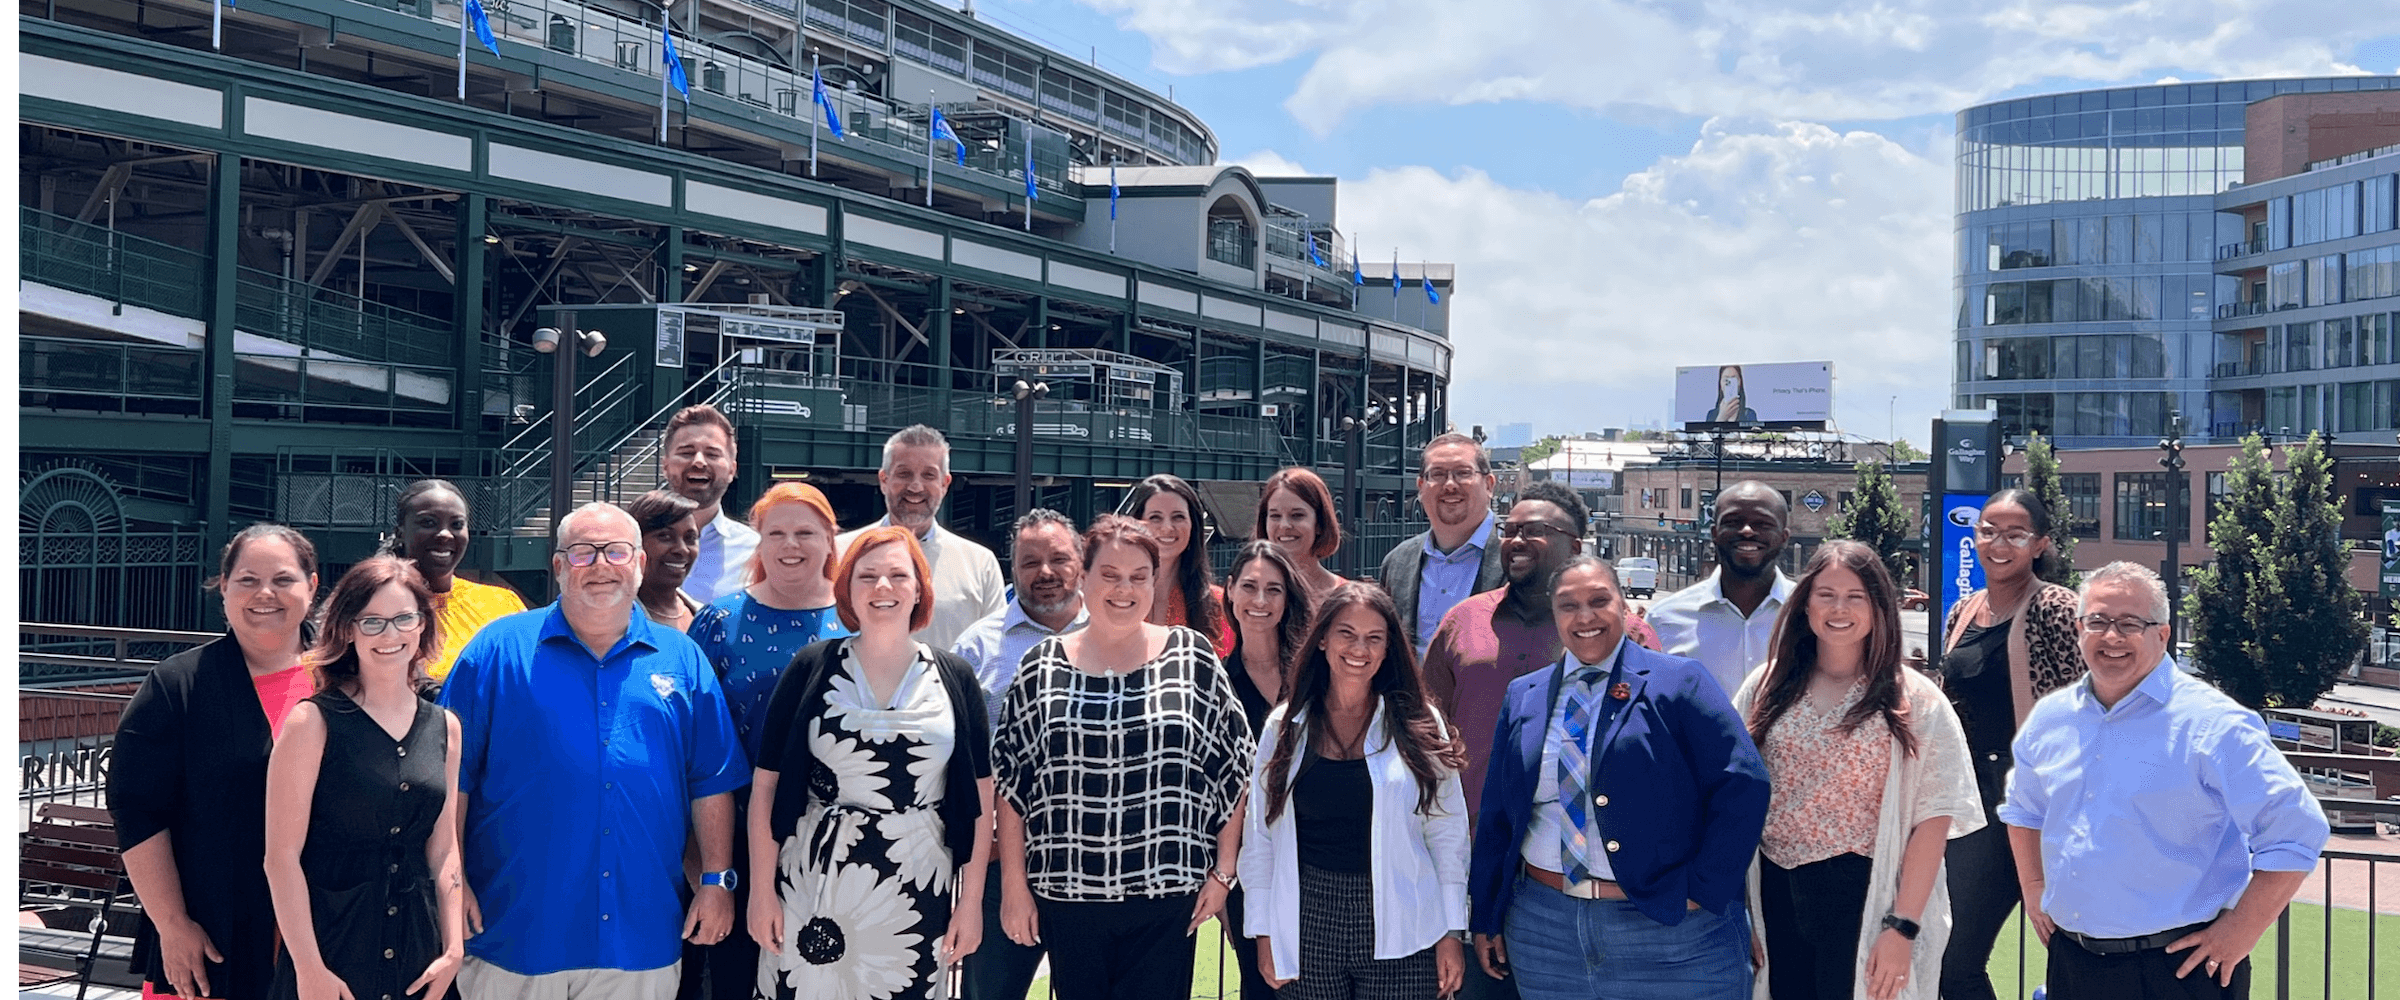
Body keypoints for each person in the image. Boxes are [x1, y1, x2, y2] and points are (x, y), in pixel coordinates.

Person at [440, 503, 748, 1000]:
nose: (602, 565)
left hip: (640, 937)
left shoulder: (683, 657)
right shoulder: (496, 649)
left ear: (640, 564)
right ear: (559, 567)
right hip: (516, 934)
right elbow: (454, 777)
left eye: (617, 552)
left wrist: (716, 880)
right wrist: (451, 885)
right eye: (583, 553)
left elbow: (710, 780)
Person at [2000, 562, 2330, 1000]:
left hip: (2178, 970)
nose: (2111, 636)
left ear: (2163, 634)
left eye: (2130, 623)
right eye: (2097, 621)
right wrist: (2034, 887)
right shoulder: (2051, 718)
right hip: (2073, 964)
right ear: (2079, 628)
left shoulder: (2215, 724)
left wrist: (2242, 930)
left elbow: (2298, 830)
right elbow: (2023, 810)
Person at [1467, 556, 1769, 1000]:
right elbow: (1498, 813)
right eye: (1568, 605)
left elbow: (1743, 785)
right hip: (1546, 933)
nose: (1584, 616)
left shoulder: (1680, 682)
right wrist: (1487, 915)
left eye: (1599, 601)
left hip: (1669, 932)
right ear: (1554, 615)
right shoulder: (1525, 695)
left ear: (1624, 606)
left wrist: (1704, 889)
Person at [991, 515, 1253, 1000]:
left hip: (1168, 893)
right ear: (1084, 579)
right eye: (1109, 575)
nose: (1124, 589)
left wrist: (1223, 871)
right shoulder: (1040, 665)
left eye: (1138, 576)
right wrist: (1013, 885)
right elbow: (1012, 786)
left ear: (1155, 583)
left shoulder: (1192, 656)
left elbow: (1236, 768)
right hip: (1067, 893)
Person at [745, 526, 993, 1000]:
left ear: (920, 588)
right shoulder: (810, 667)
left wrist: (971, 903)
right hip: (812, 878)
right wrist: (761, 892)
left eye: (899, 576)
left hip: (919, 884)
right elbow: (766, 787)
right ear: (847, 588)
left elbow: (981, 798)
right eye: (868, 576)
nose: (883, 587)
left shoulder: (954, 677)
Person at [1733, 541, 1982, 1000]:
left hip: (1866, 895)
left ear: (1880, 606)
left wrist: (1901, 928)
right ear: (1805, 601)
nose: (1839, 608)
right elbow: (1733, 798)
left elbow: (1934, 818)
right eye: (1826, 594)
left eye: (1856, 596)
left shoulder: (1915, 701)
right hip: (1776, 892)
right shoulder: (1766, 688)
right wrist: (1741, 914)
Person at [111, 524, 322, 1000]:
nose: (265, 593)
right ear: (223, 587)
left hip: (330, 930)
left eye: (283, 579)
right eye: (247, 580)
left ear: (311, 586)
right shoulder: (177, 686)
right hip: (211, 930)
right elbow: (137, 811)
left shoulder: (344, 683)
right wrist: (172, 923)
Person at [1239, 583, 1469, 1000]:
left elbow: (1447, 833)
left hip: (1407, 924)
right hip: (1308, 921)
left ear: (1387, 650)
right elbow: (1260, 838)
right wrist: (1263, 932)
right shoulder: (1283, 727)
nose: (1358, 648)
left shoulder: (1419, 723)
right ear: (1323, 639)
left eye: (1373, 638)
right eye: (1346, 633)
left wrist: (1451, 931)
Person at [264, 555, 466, 1000]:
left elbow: (444, 848)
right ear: (347, 629)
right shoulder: (311, 723)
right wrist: (308, 967)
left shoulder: (445, 727)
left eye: (402, 619)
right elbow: (281, 858)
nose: (389, 635)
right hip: (332, 951)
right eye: (372, 622)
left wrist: (453, 950)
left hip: (419, 953)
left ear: (421, 626)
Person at [684, 482, 853, 1000]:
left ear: (830, 540)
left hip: (836, 841)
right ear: (758, 543)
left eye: (805, 532)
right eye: (775, 533)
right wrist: (703, 866)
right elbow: (691, 744)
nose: (790, 545)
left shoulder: (859, 620)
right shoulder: (719, 622)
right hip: (732, 837)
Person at [1934, 489, 2086, 1000]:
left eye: (2015, 534)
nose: (1999, 544)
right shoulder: (1962, 612)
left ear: (2039, 544)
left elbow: (2096, 702)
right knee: (1951, 962)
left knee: (2077, 956)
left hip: (2049, 806)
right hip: (1977, 805)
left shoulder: (2057, 608)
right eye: (1988, 531)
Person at [952, 509, 1090, 1000]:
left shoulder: (1116, 639)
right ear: (1013, 570)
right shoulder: (977, 649)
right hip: (995, 861)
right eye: (1030, 562)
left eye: (1058, 559)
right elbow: (956, 755)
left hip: (1091, 859)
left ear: (1082, 562)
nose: (1045, 573)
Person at [1215, 539, 1314, 1000]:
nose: (1259, 601)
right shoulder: (1212, 680)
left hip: (1317, 857)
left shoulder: (1318, 676)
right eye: (1249, 587)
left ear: (1287, 598)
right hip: (1249, 863)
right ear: (1230, 592)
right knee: (1260, 983)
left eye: (1273, 590)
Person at [837, 424, 1007, 652]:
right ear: (883, 480)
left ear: (945, 484)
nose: (916, 486)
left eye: (929, 475)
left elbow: (995, 652)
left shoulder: (980, 564)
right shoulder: (840, 554)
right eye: (904, 474)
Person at [1648, 480, 1796, 699]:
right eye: (1733, 522)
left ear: (1784, 537)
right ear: (1715, 533)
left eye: (1763, 524)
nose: (1747, 531)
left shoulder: (1809, 613)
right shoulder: (1664, 619)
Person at [388, 480, 525, 687]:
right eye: (428, 523)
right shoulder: (376, 607)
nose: (445, 534)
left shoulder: (503, 604)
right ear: (400, 533)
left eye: (457, 525)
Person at [1382, 434, 1504, 660]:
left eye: (1463, 473)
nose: (1449, 484)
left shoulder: (1518, 557)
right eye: (1437, 474)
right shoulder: (1397, 562)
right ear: (1421, 486)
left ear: (1489, 485)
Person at [663, 404, 758, 603]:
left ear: (732, 470)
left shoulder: (757, 552)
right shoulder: (632, 542)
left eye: (712, 454)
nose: (699, 462)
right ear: (665, 466)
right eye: (687, 452)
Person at [1129, 473, 1233, 653]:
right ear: (1137, 525)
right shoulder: (1115, 598)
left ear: (1194, 526)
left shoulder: (1219, 606)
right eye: (1155, 517)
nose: (1168, 527)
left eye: (1178, 517)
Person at [1257, 467, 1344, 602]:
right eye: (1275, 516)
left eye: (1297, 515)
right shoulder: (1245, 596)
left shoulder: (1347, 599)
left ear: (1320, 524)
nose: (1284, 525)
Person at [627, 489, 707, 633]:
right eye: (665, 536)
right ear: (636, 544)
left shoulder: (706, 620)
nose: (682, 549)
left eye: (690, 538)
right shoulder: (614, 623)